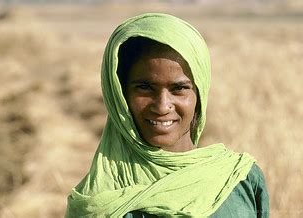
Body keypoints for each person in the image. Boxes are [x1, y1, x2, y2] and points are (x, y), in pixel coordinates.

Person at [65, 13, 269, 217]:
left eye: (179, 88)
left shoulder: (239, 179)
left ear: (199, 93)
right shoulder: (96, 204)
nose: (162, 106)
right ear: (119, 95)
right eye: (145, 87)